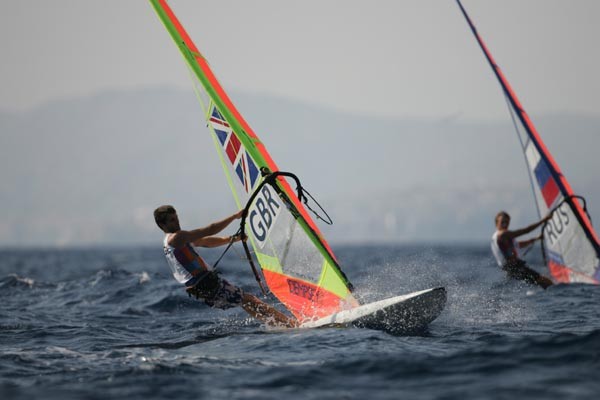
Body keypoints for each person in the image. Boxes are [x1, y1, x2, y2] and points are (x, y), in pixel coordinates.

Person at [153, 205, 297, 328]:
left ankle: (279, 324)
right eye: (172, 220)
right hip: (206, 284)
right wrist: (235, 216)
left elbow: (205, 241)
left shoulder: (172, 241)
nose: (176, 222)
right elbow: (210, 229)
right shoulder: (176, 237)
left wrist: (231, 239)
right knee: (250, 300)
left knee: (246, 302)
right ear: (162, 225)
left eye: (176, 217)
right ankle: (290, 324)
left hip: (203, 287)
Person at [491, 211, 554, 289]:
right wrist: (544, 220)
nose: (505, 224)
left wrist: (536, 239)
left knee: (541, 282)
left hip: (512, 269)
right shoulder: (503, 234)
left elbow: (518, 245)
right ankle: (556, 296)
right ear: (497, 223)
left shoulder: (498, 237)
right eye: (502, 222)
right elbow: (526, 231)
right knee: (545, 282)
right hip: (514, 268)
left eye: (507, 222)